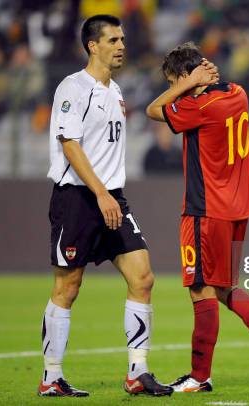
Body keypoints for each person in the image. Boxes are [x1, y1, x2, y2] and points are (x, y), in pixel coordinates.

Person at [146, 42, 249, 393]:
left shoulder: (198, 105)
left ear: (187, 77)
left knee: (201, 289)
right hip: (238, 208)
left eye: (174, 81)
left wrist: (184, 85)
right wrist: (194, 79)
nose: (174, 88)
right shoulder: (237, 92)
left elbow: (153, 110)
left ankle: (199, 377)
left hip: (206, 210)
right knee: (225, 287)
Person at [39, 14, 173, 398]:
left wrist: (108, 195)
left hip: (111, 197)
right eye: (113, 40)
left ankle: (138, 372)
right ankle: (51, 377)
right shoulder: (72, 88)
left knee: (142, 277)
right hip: (79, 198)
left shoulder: (115, 91)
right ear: (92, 45)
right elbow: (70, 144)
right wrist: (99, 193)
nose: (121, 46)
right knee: (68, 286)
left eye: (122, 39)